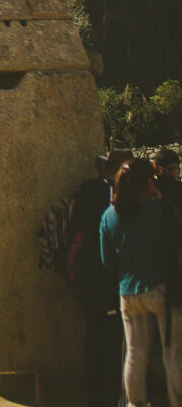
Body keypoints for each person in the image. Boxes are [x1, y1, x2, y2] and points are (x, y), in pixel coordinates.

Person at [101, 157, 182, 407]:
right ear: (145, 183)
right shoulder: (157, 210)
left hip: (128, 291)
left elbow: (106, 261)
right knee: (173, 353)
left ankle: (136, 403)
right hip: (160, 289)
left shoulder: (109, 216)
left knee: (135, 355)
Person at [75, 148, 129, 407]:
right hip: (108, 279)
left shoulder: (87, 190)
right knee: (115, 342)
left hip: (89, 278)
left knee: (95, 338)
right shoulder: (117, 199)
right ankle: (111, 394)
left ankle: (96, 394)